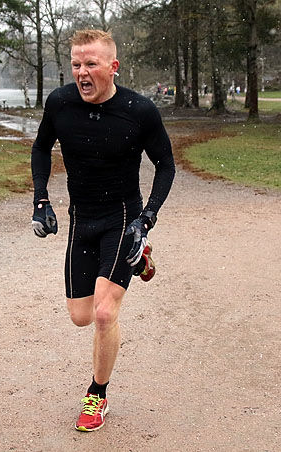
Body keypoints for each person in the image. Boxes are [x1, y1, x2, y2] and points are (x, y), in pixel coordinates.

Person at [30, 29, 175, 432]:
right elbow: (41, 148)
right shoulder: (60, 103)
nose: (81, 72)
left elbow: (166, 165)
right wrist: (41, 199)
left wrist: (146, 219)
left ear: (112, 67)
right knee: (79, 316)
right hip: (83, 220)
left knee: (103, 313)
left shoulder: (139, 110)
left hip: (122, 219)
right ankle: (141, 260)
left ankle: (97, 394)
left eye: (91, 63)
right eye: (76, 64)